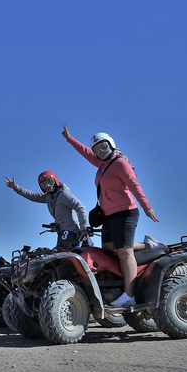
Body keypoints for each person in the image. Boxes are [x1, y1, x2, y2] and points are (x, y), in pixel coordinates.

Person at [62, 124, 160, 307]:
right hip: (108, 214)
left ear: (111, 145)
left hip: (126, 212)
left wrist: (147, 207)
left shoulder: (120, 163)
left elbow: (134, 185)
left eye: (103, 147)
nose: (100, 152)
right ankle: (149, 245)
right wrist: (70, 138)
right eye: (97, 150)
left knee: (124, 252)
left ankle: (129, 295)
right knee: (108, 247)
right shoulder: (102, 164)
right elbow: (85, 152)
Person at [5, 171, 91, 251]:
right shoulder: (48, 197)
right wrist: (16, 187)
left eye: (49, 182)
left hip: (73, 233)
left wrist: (84, 228)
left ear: (55, 181)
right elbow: (32, 196)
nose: (47, 186)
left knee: (69, 258)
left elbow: (80, 207)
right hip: (62, 234)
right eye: (43, 185)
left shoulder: (63, 194)